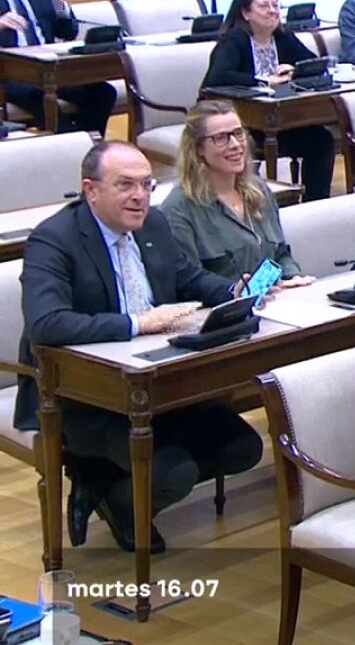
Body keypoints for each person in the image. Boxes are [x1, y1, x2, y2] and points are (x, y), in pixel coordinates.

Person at [17, 141, 264, 552]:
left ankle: (104, 481)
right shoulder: (54, 239)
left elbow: (187, 277)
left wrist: (236, 293)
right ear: (91, 190)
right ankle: (119, 502)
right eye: (125, 185)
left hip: (158, 378)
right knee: (173, 473)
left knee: (242, 448)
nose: (139, 196)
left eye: (146, 185)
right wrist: (137, 323)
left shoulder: (153, 224)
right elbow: (46, 323)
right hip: (84, 397)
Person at [201, 0, 336, 201]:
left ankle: (314, 203)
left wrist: (294, 70)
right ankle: (271, 201)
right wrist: (263, 81)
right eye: (264, 6)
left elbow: (313, 63)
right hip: (242, 124)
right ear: (245, 13)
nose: (272, 11)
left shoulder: (282, 36)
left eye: (275, 5)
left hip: (281, 118)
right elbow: (219, 77)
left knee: (322, 139)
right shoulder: (234, 40)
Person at [160, 100, 316, 288]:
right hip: (226, 304)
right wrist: (235, 292)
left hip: (277, 298)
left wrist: (293, 278)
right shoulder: (179, 208)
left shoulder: (259, 189)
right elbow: (189, 282)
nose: (235, 144)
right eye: (221, 138)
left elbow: (281, 254)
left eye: (238, 133)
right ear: (198, 148)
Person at [0, 0, 115, 133]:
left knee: (103, 92)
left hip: (48, 68)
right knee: (43, 99)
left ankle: (89, 141)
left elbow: (67, 32)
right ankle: (73, 144)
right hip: (11, 74)